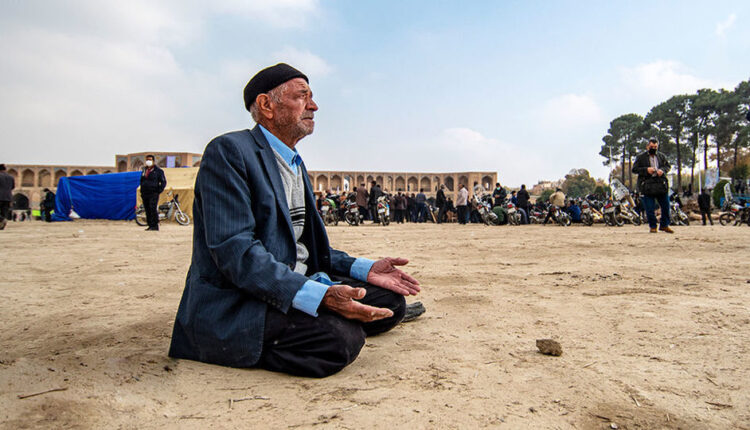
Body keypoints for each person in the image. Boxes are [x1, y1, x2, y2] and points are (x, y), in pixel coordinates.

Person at [168, 64, 421, 378]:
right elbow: (236, 252)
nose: (313, 106)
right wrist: (318, 295)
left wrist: (364, 268)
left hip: (296, 277)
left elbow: (304, 246)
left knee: (391, 301)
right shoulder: (230, 152)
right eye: (302, 97)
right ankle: (295, 326)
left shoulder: (293, 163)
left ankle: (323, 314)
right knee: (341, 339)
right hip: (246, 295)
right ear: (266, 105)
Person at [632, 138, 673, 233]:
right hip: (647, 185)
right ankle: (653, 226)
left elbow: (668, 166)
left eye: (655, 147)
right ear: (647, 147)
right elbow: (634, 169)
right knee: (649, 208)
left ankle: (664, 225)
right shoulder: (641, 157)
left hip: (660, 184)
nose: (653, 149)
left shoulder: (662, 156)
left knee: (666, 206)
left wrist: (662, 170)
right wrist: (646, 170)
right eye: (651, 147)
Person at [140, 155, 167, 231]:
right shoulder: (144, 170)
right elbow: (142, 181)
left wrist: (158, 191)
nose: (148, 161)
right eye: (147, 160)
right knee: (147, 209)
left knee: (152, 209)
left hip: (153, 193)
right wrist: (142, 190)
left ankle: (155, 225)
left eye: (150, 160)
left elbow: (163, 182)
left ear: (153, 161)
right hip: (145, 193)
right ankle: (150, 225)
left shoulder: (158, 171)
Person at [0, 164, 14, 228]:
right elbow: (12, 187)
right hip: (8, 197)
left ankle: (2, 219)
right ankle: (2, 224)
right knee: (4, 211)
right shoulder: (11, 177)